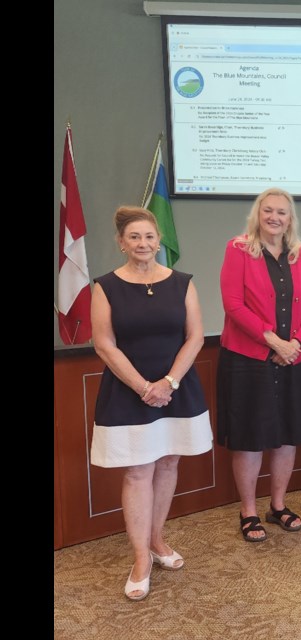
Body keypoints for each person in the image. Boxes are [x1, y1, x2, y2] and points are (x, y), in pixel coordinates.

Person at [90, 206, 212, 601]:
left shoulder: (182, 282)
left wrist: (169, 382)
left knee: (169, 461)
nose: (143, 244)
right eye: (135, 237)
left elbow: (195, 337)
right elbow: (104, 344)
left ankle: (158, 539)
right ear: (122, 243)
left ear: (160, 241)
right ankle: (140, 558)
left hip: (177, 387)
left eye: (149, 237)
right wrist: (145, 387)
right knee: (139, 471)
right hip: (129, 391)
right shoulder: (106, 286)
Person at [217, 188, 301, 543]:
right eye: (268, 211)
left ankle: (278, 505)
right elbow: (233, 305)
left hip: (294, 359)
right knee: (249, 438)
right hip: (248, 360)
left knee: (287, 436)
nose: (275, 217)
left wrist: (294, 344)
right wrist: (273, 341)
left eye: (282, 212)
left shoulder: (300, 254)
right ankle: (248, 511)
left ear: (290, 219)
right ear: (258, 214)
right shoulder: (239, 249)